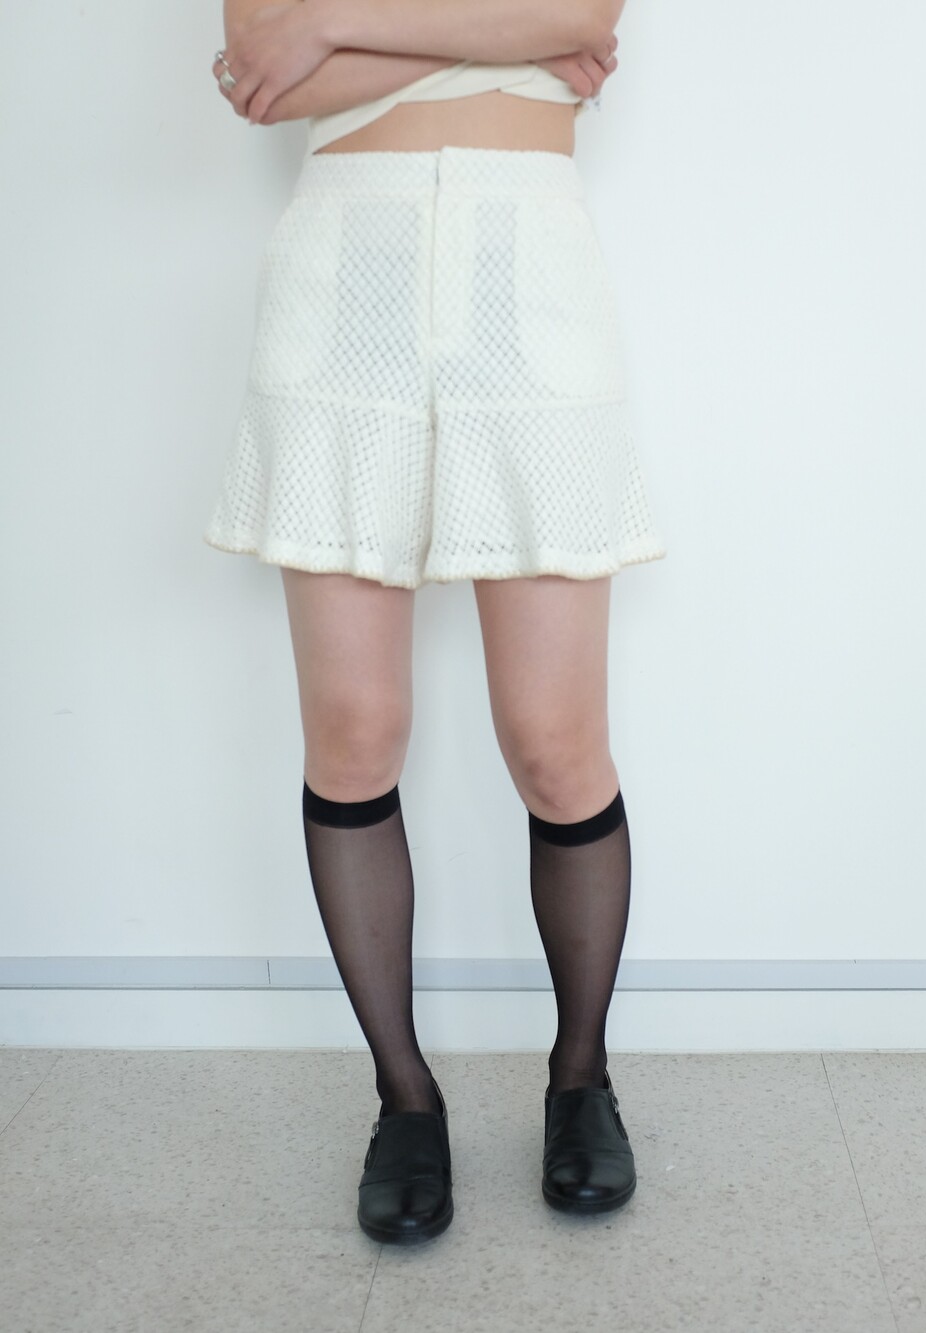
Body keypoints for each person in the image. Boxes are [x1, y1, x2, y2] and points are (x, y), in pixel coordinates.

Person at [205, 0, 665, 1245]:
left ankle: (581, 1080)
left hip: (528, 275)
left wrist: (335, 25)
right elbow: (263, 78)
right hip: (340, 283)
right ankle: (404, 1099)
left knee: (556, 745)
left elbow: (581, 16)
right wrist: (499, 38)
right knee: (354, 734)